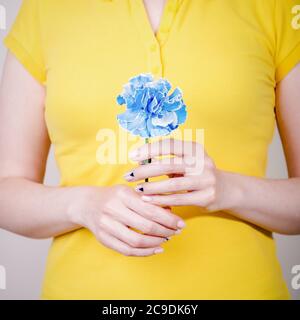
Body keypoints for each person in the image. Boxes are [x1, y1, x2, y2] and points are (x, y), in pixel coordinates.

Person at [0, 0, 299, 299]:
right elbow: (6, 191)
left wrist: (228, 189)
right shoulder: (45, 8)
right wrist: (82, 204)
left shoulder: (277, 7)